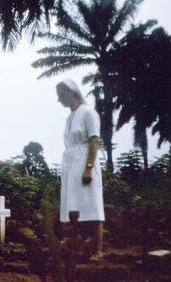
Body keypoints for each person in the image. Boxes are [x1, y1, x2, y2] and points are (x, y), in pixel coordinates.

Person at [56, 78, 105, 258]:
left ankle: (97, 251)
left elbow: (94, 140)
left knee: (93, 205)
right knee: (74, 206)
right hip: (71, 165)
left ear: (71, 93)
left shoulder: (88, 112)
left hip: (85, 161)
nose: (59, 99)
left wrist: (89, 168)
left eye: (61, 95)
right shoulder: (69, 117)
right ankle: (77, 247)